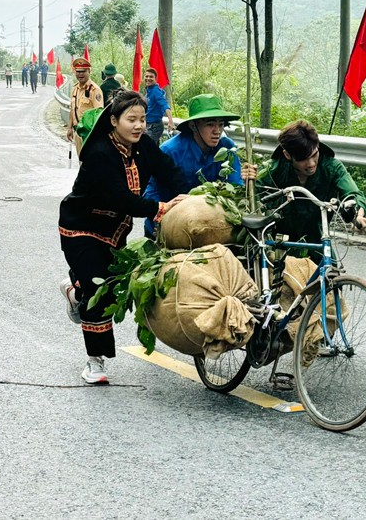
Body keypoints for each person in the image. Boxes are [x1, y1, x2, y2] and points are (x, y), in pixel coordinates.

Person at [58, 91, 189, 384]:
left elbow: (169, 171)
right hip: (80, 228)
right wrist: (160, 207)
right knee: (97, 289)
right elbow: (119, 199)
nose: (139, 125)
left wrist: (187, 197)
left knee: (107, 285)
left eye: (142, 119)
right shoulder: (100, 153)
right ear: (114, 121)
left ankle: (73, 289)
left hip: (115, 232)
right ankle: (96, 362)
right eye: (131, 119)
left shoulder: (143, 145)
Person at [142, 94, 247, 236]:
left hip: (208, 225)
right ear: (193, 126)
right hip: (169, 223)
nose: (217, 131)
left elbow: (235, 187)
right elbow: (151, 190)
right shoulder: (170, 151)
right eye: (210, 124)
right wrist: (160, 219)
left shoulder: (227, 148)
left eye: (221, 124)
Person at [258, 120, 366, 246]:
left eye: (314, 155)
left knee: (330, 265)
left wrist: (357, 213)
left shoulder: (331, 167)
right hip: (280, 240)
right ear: (287, 155)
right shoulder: (274, 169)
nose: (311, 164)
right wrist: (248, 180)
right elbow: (250, 195)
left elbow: (353, 193)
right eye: (303, 159)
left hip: (317, 238)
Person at [66, 57, 103, 155]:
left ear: (89, 71)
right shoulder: (75, 88)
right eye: (78, 72)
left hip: (89, 133)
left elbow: (98, 114)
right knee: (81, 161)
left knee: (90, 163)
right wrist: (69, 128)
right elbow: (72, 110)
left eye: (83, 71)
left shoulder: (95, 90)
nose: (80, 74)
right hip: (77, 132)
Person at [143, 68, 174, 144]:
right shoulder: (149, 90)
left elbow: (164, 104)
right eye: (146, 76)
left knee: (148, 148)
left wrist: (170, 121)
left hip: (154, 126)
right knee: (153, 150)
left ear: (155, 79)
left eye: (151, 77)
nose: (148, 78)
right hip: (148, 124)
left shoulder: (156, 91)